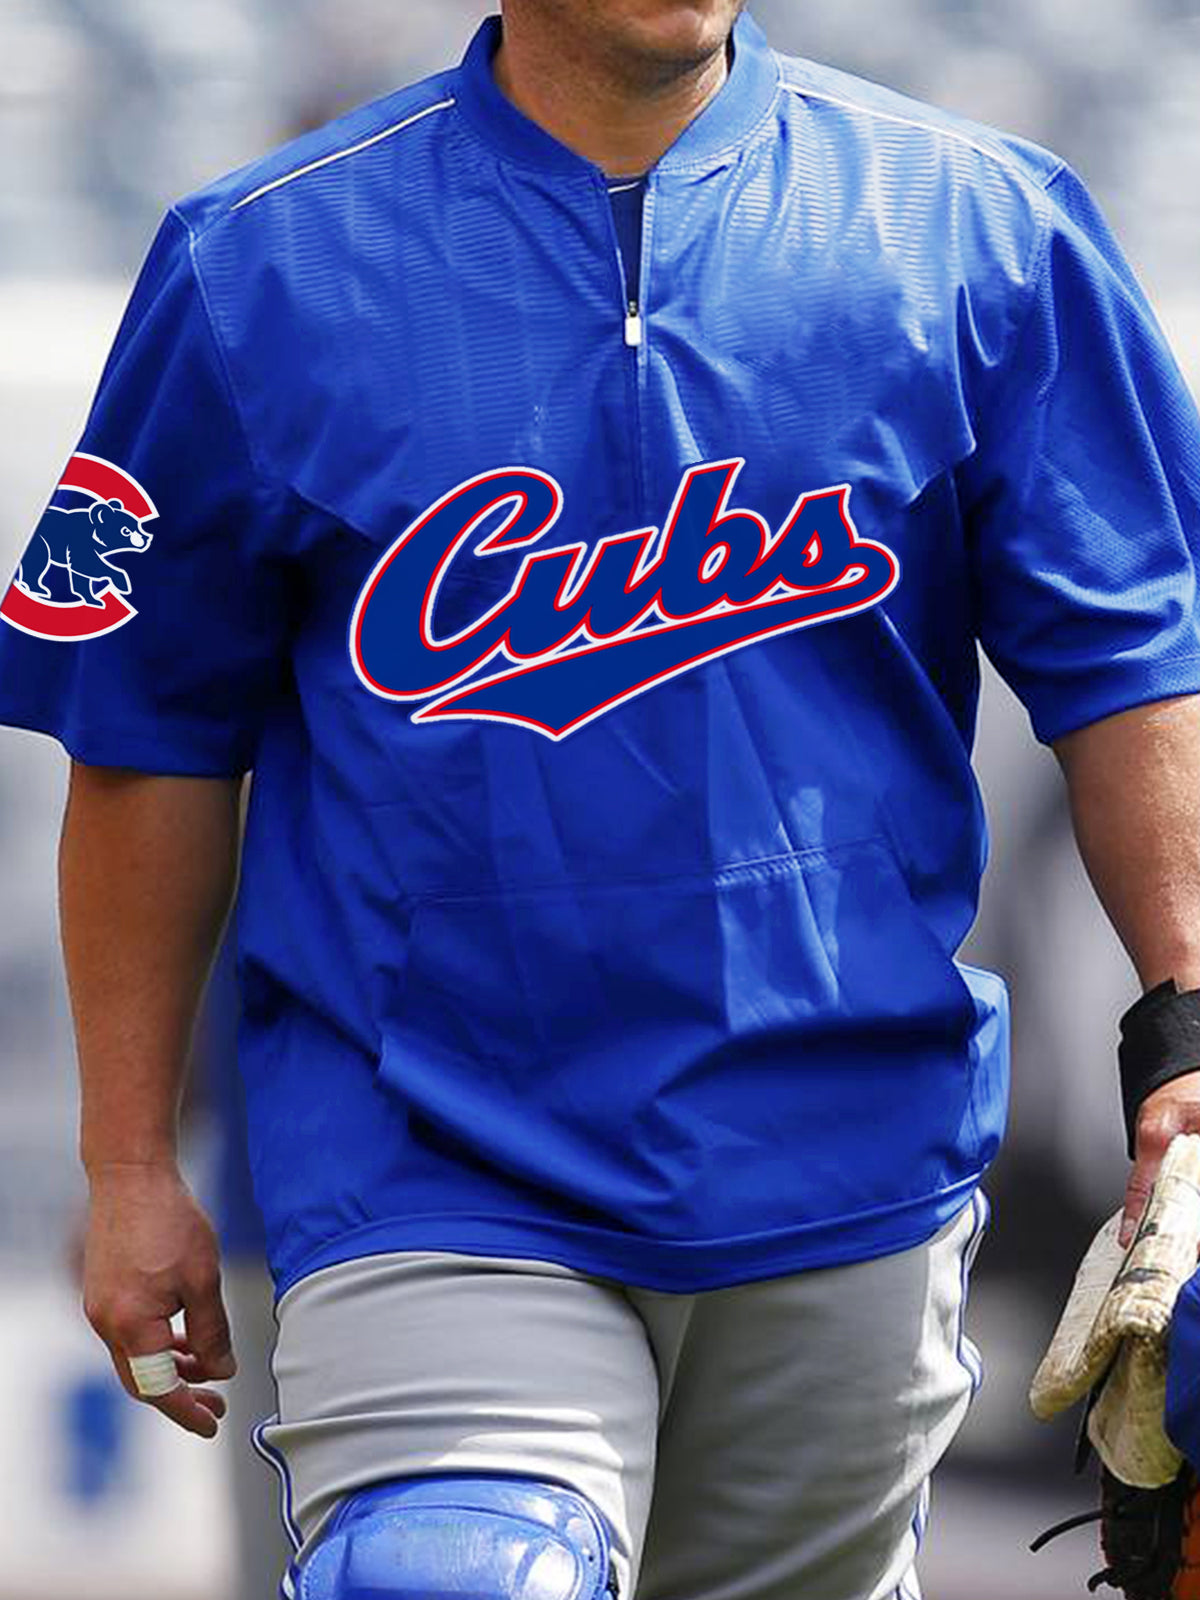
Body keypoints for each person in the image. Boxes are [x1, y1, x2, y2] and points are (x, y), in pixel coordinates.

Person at [2, 3, 1200, 1596]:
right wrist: (130, 1166)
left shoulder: (984, 224)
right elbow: (144, 735)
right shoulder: (259, 262)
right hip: (437, 1162)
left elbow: (1136, 662)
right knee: (452, 1571)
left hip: (847, 1167)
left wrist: (1187, 1028)